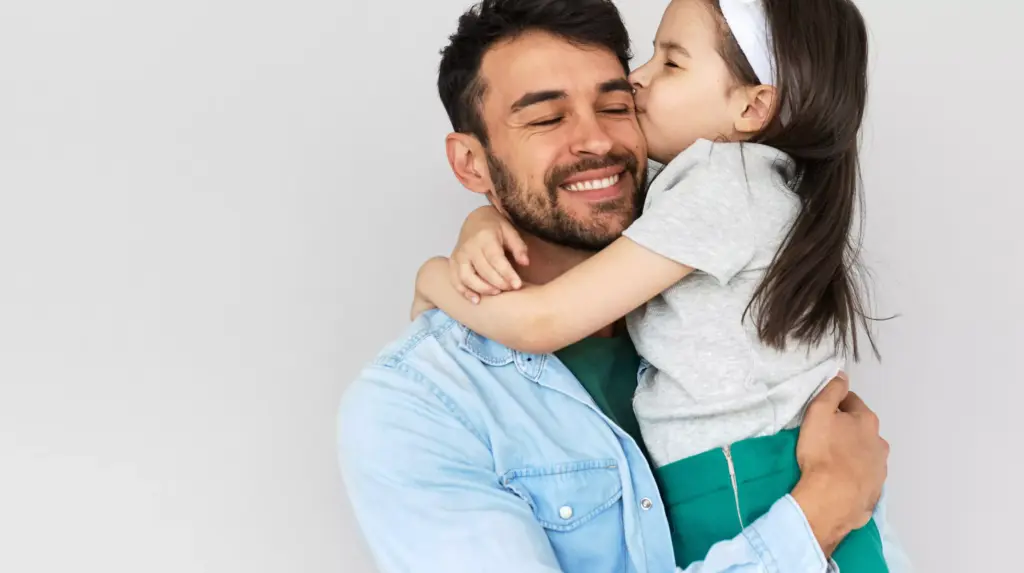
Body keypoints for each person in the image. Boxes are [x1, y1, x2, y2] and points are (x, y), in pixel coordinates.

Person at [339, 1, 903, 571]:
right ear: (471, 164)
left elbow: (542, 316)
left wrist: (435, 276)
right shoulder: (418, 407)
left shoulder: (710, 207)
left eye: (616, 106)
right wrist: (821, 513)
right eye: (546, 119)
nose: (598, 142)